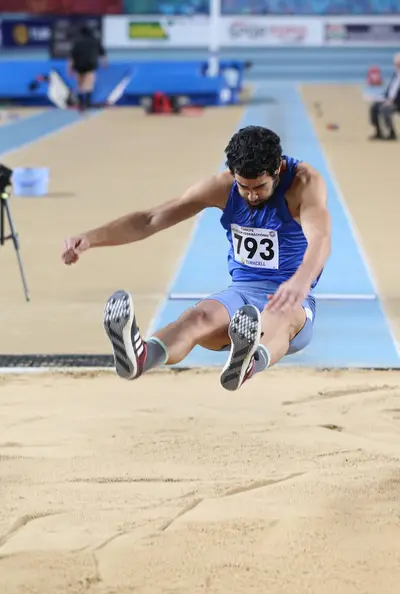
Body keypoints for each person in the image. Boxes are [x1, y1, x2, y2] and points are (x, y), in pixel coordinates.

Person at [62, 126, 331, 391]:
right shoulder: (221, 187)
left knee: (277, 315)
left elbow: (320, 237)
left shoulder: (304, 183)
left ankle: (251, 359)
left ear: (278, 170)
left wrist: (301, 281)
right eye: (243, 186)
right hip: (240, 295)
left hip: (292, 300)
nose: (251, 195)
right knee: (197, 318)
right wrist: (90, 238)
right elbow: (149, 220)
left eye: (259, 187)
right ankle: (142, 356)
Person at [67, 24, 107, 112]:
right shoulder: (95, 41)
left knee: (80, 85)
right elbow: (103, 54)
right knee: (89, 84)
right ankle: (88, 103)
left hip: (79, 65)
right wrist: (105, 63)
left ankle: (81, 104)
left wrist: (69, 69)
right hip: (90, 65)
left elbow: (72, 57)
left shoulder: (77, 43)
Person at [369, 52, 400, 141]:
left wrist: (391, 101)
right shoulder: (396, 75)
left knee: (385, 108)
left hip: (397, 103)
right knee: (374, 107)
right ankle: (378, 132)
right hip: (390, 100)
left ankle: (391, 133)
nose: (396, 66)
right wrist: (380, 97)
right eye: (396, 64)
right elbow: (390, 91)